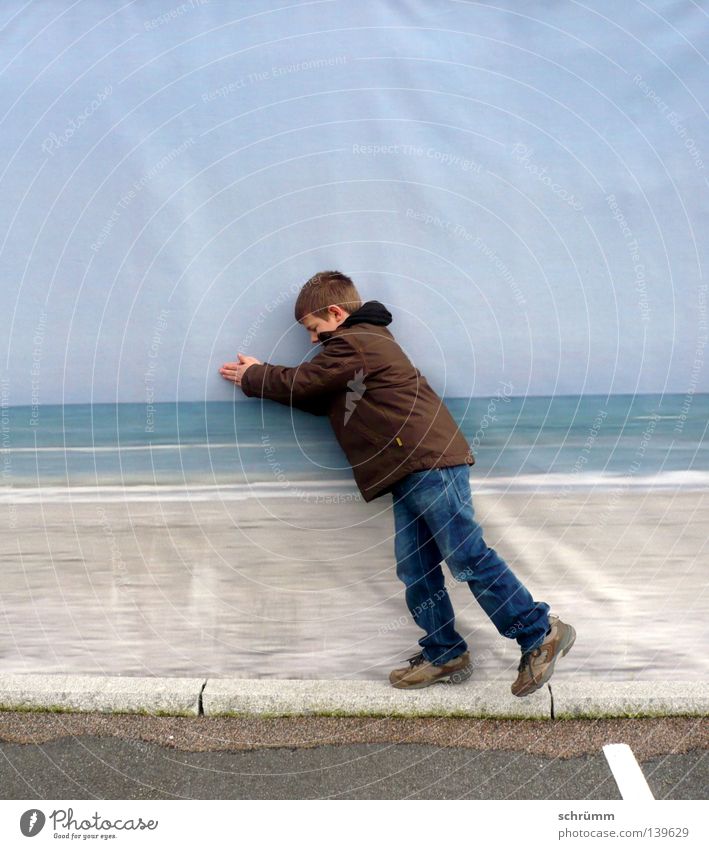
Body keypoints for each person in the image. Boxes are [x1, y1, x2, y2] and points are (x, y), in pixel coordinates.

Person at [219, 270, 575, 694]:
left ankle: (539, 633)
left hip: (428, 464)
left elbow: (307, 381)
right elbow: (324, 396)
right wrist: (272, 382)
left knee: (467, 558)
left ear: (335, 313)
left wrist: (256, 375)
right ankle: (446, 653)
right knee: (416, 568)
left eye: (315, 330)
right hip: (412, 468)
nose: (313, 341)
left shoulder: (355, 341)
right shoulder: (361, 347)